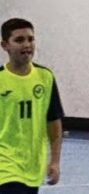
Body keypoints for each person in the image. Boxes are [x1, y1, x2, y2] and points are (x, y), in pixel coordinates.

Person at [0, 18, 64, 194]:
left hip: (33, 165)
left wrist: (55, 161)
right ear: (5, 45)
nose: (27, 45)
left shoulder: (45, 77)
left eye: (30, 39)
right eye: (19, 40)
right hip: (4, 165)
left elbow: (53, 122)